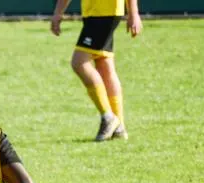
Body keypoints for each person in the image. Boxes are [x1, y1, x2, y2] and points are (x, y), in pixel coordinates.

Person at [51, 0, 143, 141]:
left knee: (79, 62)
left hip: (104, 13)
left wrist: (134, 13)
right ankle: (119, 127)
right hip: (96, 13)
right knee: (105, 66)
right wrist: (58, 12)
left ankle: (109, 117)